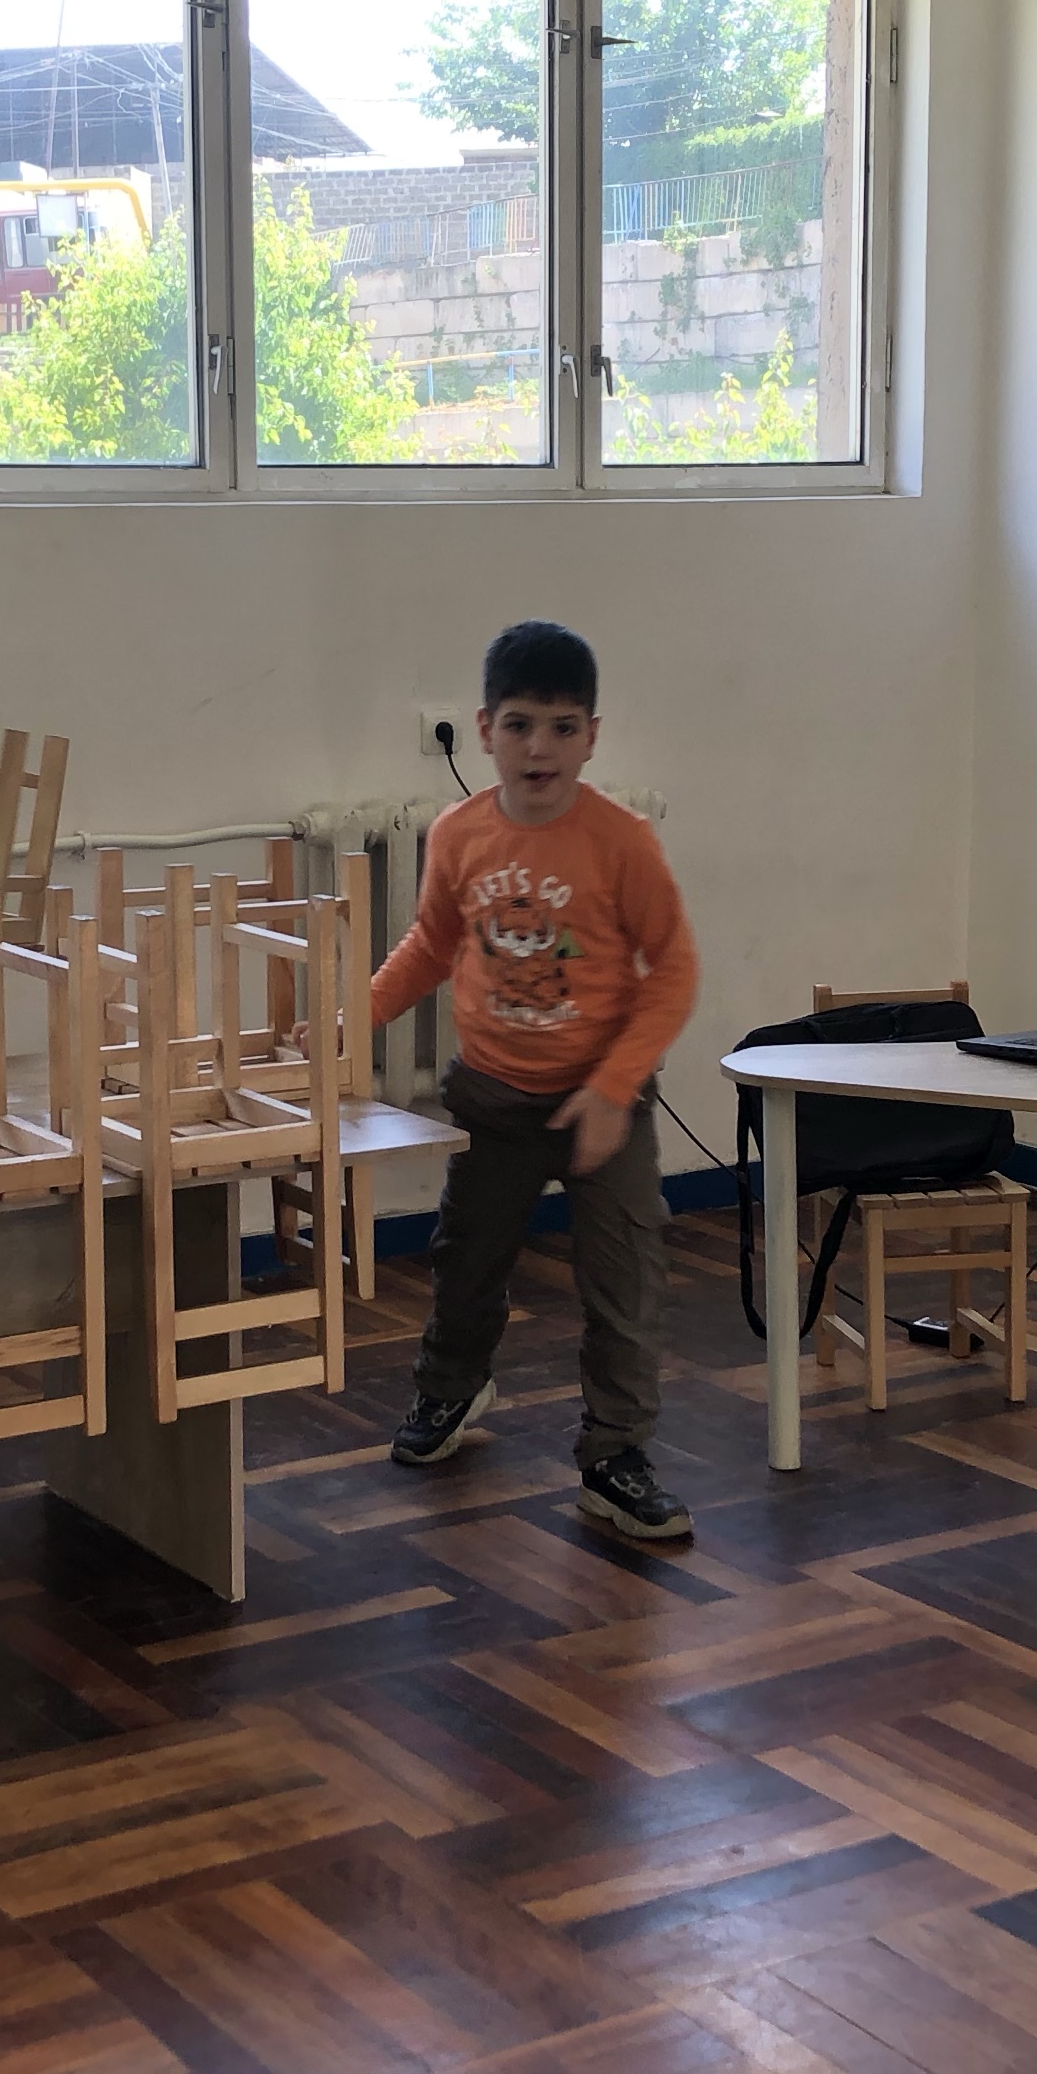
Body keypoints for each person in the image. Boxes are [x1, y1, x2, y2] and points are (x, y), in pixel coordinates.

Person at [369, 621, 700, 1544]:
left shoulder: (622, 842)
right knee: (465, 1259)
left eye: (562, 727)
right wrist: (355, 1014)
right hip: (493, 1096)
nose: (539, 748)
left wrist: (614, 1086)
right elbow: (430, 944)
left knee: (625, 1282)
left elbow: (673, 969)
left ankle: (615, 1455)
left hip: (603, 1104)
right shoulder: (459, 833)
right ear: (486, 730)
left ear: (592, 736)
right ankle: (451, 1388)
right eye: (519, 725)